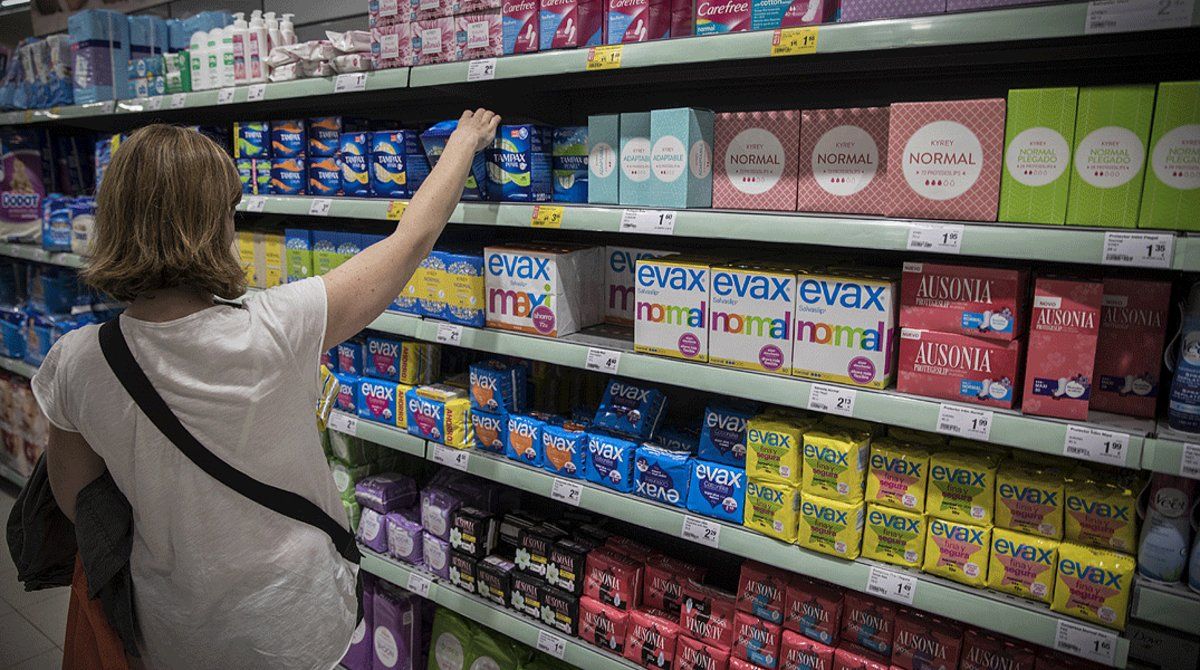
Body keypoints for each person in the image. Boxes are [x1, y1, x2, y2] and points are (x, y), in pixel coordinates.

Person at [30, 108, 500, 668]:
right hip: (294, 618)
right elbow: (410, 239)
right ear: (213, 223)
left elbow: (74, 496)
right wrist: (464, 141)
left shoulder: (78, 360)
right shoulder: (279, 323)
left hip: (174, 627)